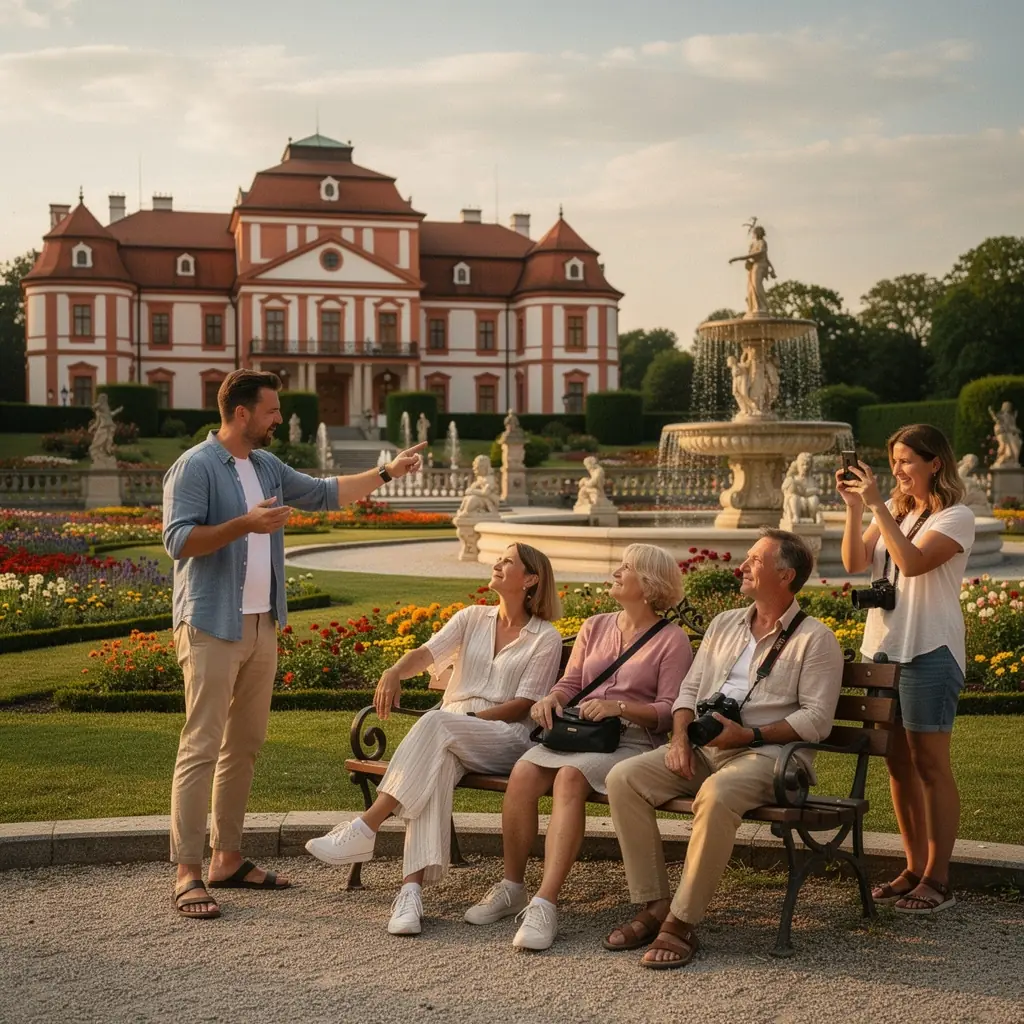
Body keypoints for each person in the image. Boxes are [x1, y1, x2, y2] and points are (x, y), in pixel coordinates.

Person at [163, 369, 425, 921]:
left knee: (245, 746)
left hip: (261, 626)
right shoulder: (195, 466)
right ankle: (187, 871)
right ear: (240, 413)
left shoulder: (265, 466)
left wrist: (387, 470)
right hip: (210, 624)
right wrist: (245, 524)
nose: (279, 418)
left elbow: (326, 494)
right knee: (201, 747)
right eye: (271, 411)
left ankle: (226, 858)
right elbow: (178, 540)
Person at [604, 529, 843, 968]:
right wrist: (679, 737)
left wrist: (748, 736)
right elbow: (689, 690)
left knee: (715, 796)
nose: (742, 566)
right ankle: (655, 903)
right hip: (705, 747)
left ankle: (681, 922)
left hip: (771, 758)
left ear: (785, 575)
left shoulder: (816, 638)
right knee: (624, 778)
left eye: (754, 560)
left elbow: (816, 720)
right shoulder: (724, 623)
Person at [304, 543, 563, 936]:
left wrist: (467, 718)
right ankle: (410, 896)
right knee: (437, 762)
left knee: (438, 723)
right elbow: (425, 655)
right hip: (450, 736)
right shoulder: (471, 617)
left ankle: (366, 826)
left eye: (507, 561)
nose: (497, 563)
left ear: (530, 579)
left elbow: (523, 705)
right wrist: (393, 670)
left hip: (507, 738)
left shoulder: (544, 637)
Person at [464, 544, 693, 950]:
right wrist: (551, 698)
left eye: (627, 568)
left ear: (649, 584)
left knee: (570, 778)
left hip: (630, 742)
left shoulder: (671, 640)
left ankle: (544, 903)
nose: (617, 572)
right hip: (577, 734)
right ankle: (512, 886)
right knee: (523, 772)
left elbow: (669, 710)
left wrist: (618, 706)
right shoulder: (596, 625)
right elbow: (571, 684)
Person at [838, 424, 974, 916]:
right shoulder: (895, 509)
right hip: (884, 651)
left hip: (930, 650)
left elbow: (913, 564)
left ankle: (939, 876)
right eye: (893, 461)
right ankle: (913, 868)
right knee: (896, 765)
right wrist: (858, 507)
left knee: (931, 766)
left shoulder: (957, 517)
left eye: (907, 461)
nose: (897, 470)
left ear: (935, 463)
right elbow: (855, 561)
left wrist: (877, 506)